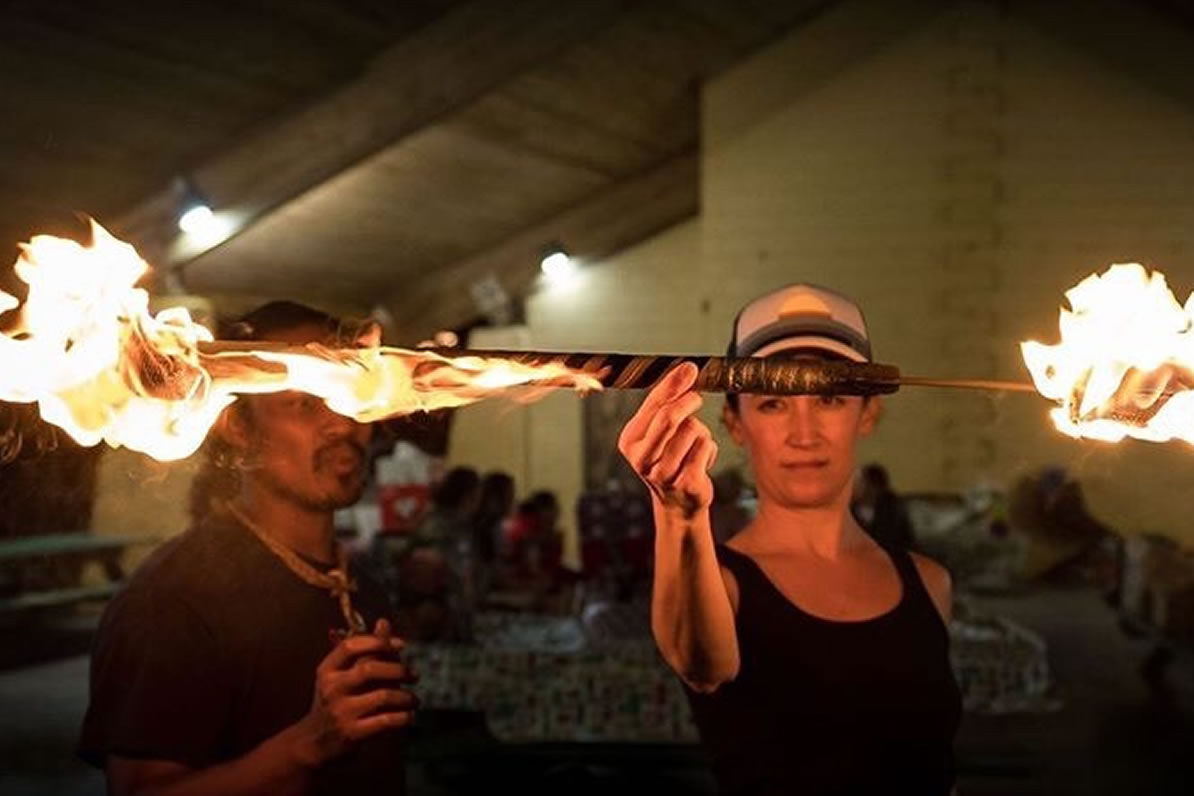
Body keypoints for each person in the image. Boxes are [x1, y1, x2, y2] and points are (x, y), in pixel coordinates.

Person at [618, 283, 960, 795]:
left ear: (868, 413)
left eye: (829, 397)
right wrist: (679, 513)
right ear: (735, 420)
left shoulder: (929, 583)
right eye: (774, 402)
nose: (805, 433)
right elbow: (702, 665)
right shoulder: (721, 583)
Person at [79, 301, 417, 796]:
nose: (343, 424)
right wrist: (307, 745)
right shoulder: (174, 601)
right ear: (237, 427)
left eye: (352, 398)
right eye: (306, 403)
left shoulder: (362, 583)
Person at [852, 462, 916, 551]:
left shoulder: (893, 509)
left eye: (861, 483)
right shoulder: (847, 509)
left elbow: (905, 543)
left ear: (875, 487)